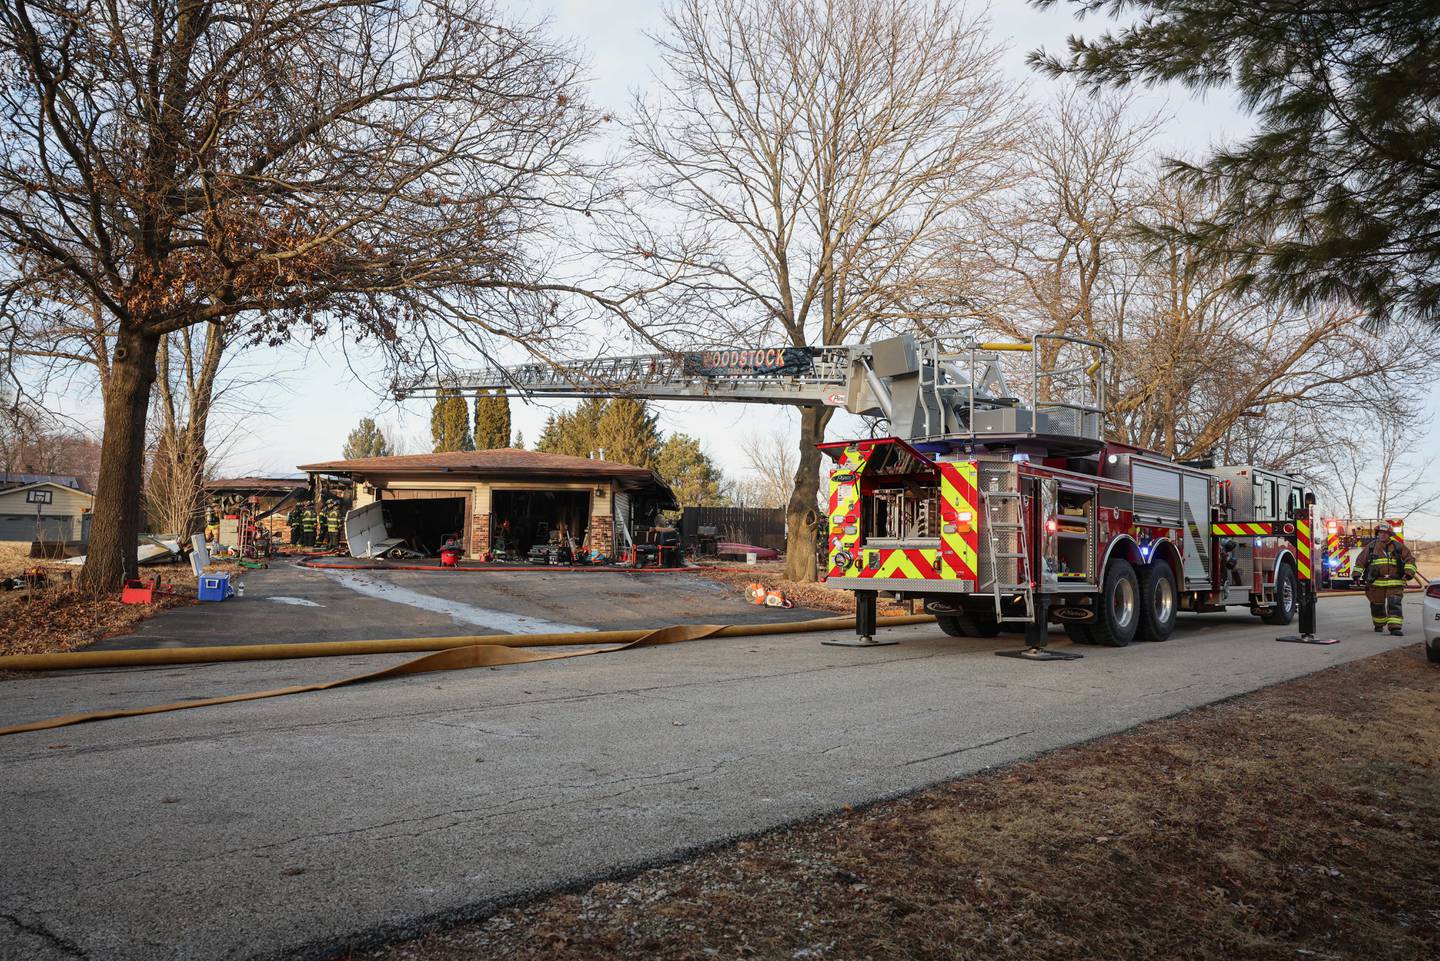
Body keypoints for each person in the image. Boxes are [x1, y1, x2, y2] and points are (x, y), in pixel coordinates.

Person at [1354, 521, 1418, 635]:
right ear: (1377, 534)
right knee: (1377, 605)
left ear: (1390, 534)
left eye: (1385, 533)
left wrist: (1408, 573)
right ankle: (1379, 624)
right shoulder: (1371, 547)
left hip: (1395, 582)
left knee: (1394, 603)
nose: (1382, 535)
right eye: (1380, 533)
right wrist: (1356, 575)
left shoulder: (1398, 546)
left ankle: (1395, 628)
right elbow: (1360, 561)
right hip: (1376, 583)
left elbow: (1410, 560)